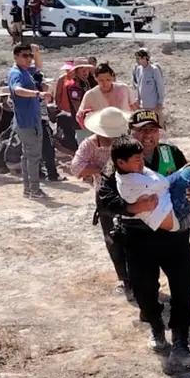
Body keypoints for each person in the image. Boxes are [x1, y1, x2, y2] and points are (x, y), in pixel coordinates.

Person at [97, 142, 190, 373]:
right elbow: (105, 201)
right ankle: (156, 328)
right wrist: (131, 208)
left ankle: (181, 344)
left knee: (184, 286)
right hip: (138, 238)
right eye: (142, 130)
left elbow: (187, 181)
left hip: (174, 238)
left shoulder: (171, 154)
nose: (147, 136)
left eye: (153, 130)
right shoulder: (118, 165)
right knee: (144, 290)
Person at [71, 107, 133, 297]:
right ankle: (124, 278)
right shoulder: (89, 145)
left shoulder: (128, 141)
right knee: (112, 238)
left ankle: (137, 276)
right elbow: (76, 167)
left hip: (131, 192)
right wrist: (100, 168)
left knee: (134, 237)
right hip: (105, 196)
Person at [7, 43, 52, 199]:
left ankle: (29, 189)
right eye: (24, 56)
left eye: (29, 55)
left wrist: (36, 53)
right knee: (33, 156)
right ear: (16, 57)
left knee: (27, 156)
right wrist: (37, 94)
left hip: (29, 119)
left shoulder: (24, 70)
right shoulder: (16, 73)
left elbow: (38, 67)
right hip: (27, 121)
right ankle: (34, 190)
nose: (28, 59)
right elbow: (17, 90)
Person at [76, 62, 138, 130]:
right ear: (95, 78)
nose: (105, 83)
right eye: (101, 80)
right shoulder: (90, 95)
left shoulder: (123, 88)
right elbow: (80, 116)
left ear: (112, 77)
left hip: (125, 128)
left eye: (108, 80)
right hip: (103, 131)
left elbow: (134, 107)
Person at [132, 48, 165, 125]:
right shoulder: (138, 69)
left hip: (154, 104)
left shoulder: (154, 69)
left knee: (157, 125)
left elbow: (160, 86)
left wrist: (160, 102)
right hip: (143, 105)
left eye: (138, 58)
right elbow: (138, 86)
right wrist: (137, 99)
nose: (137, 60)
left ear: (145, 58)